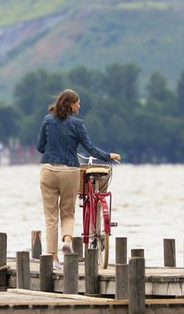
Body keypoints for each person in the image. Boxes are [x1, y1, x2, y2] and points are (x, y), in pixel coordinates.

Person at [36, 89, 121, 270]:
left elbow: (40, 147)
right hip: (69, 172)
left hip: (48, 170)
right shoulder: (77, 124)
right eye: (78, 102)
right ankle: (67, 240)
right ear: (70, 104)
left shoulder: (47, 120)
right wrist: (108, 156)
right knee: (67, 212)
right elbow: (90, 149)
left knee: (51, 216)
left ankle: (54, 259)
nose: (80, 106)